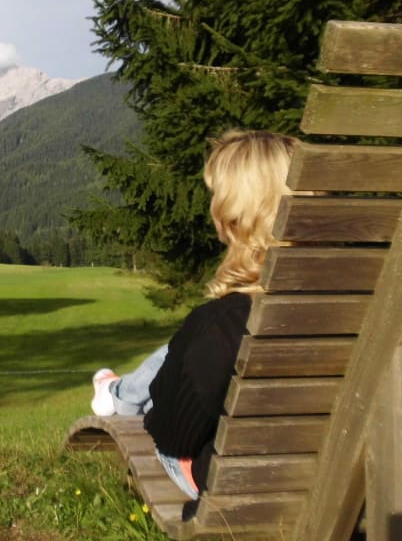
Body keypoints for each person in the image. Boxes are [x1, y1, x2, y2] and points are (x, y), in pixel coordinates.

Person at [89, 129, 299, 503]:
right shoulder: (367, 306)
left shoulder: (224, 325)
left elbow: (174, 437)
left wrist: (156, 403)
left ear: (232, 215)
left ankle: (120, 394)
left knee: (176, 363)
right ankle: (120, 392)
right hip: (351, 479)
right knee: (181, 352)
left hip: (243, 486)